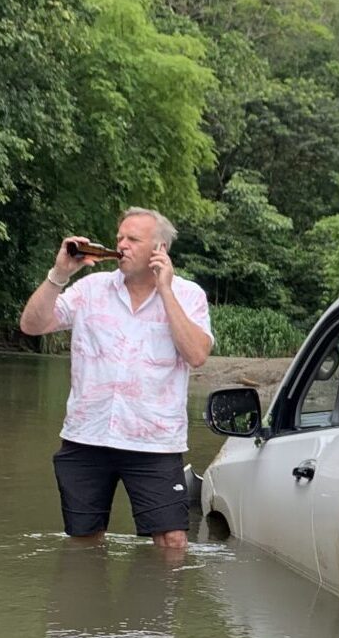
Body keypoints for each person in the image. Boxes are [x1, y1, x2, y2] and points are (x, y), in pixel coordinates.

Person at [18, 207, 214, 549]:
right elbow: (32, 325)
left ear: (159, 250)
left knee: (172, 541)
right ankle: (87, 600)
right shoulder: (90, 289)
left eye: (133, 239)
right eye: (119, 238)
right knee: (83, 541)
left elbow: (196, 355)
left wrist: (165, 291)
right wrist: (58, 275)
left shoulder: (189, 295)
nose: (121, 245)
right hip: (87, 436)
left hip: (154, 441)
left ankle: (158, 602)